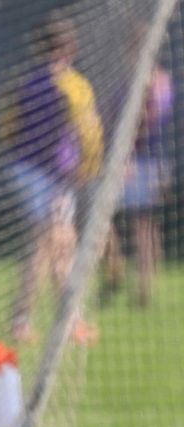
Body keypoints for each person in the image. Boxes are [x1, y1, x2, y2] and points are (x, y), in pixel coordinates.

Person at [3, 13, 105, 345]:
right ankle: (21, 319)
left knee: (62, 245)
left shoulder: (24, 81)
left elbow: (5, 126)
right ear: (69, 47)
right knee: (46, 245)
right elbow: (88, 132)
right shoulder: (73, 85)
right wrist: (88, 166)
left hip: (22, 169)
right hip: (53, 177)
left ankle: (69, 319)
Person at [102, 46, 172, 308]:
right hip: (125, 159)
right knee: (103, 218)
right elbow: (111, 117)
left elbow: (150, 121)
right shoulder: (128, 83)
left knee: (143, 223)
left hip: (146, 162)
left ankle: (144, 287)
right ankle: (115, 269)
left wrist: (128, 149)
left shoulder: (158, 83)